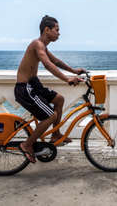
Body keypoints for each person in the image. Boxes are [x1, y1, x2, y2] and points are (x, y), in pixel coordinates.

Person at [14, 15, 85, 163]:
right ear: (47, 30)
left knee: (59, 99)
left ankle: (55, 134)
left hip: (34, 84)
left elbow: (56, 61)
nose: (59, 33)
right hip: (25, 88)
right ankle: (27, 145)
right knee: (50, 116)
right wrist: (66, 79)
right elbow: (47, 64)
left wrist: (73, 71)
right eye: (57, 30)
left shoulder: (43, 46)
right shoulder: (37, 44)